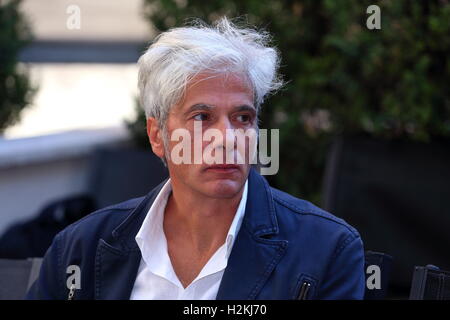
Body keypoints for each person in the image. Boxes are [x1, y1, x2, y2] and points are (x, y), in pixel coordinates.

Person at [26, 17, 365, 300]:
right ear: (158, 136)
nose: (227, 139)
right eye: (202, 117)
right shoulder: (80, 249)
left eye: (243, 118)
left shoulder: (326, 250)